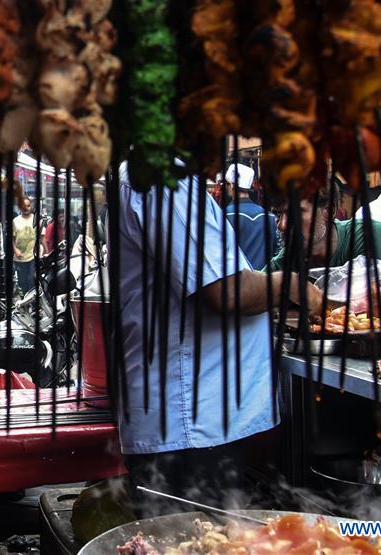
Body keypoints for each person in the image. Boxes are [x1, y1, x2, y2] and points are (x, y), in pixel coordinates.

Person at [116, 162, 323, 518]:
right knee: (190, 542)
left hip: (195, 421)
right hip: (189, 424)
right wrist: (294, 287)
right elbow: (226, 291)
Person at [267, 182, 381, 271]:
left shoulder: (367, 236)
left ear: (328, 212)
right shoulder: (282, 263)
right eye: (277, 214)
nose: (282, 225)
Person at [223, 163, 278, 270]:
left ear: (232, 185)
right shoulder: (270, 217)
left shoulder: (224, 216)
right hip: (264, 281)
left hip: (237, 281)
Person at [13, 197, 37, 292]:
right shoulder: (15, 221)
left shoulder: (36, 219)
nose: (26, 208)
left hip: (33, 256)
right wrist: (15, 250)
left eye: (28, 205)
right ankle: (24, 302)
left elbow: (41, 237)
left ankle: (31, 302)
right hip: (20, 257)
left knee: (32, 280)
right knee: (22, 282)